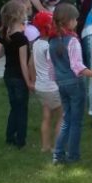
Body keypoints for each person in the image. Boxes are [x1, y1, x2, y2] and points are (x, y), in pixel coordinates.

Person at [48, 3, 92, 165]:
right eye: (75, 19)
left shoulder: (52, 41)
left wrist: (59, 80)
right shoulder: (73, 41)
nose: (77, 21)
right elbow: (78, 67)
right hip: (75, 84)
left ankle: (58, 154)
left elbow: (51, 69)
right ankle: (73, 155)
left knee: (66, 119)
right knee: (76, 122)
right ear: (69, 21)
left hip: (61, 84)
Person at [0, 0, 33, 148]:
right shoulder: (22, 39)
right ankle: (21, 140)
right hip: (19, 78)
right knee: (22, 109)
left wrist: (3, 42)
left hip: (8, 75)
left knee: (14, 107)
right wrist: (29, 82)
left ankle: (10, 137)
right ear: (19, 15)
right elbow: (24, 64)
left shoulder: (5, 33)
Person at [30, 11, 61, 153]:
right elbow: (54, 65)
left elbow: (31, 63)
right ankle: (57, 147)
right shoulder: (49, 47)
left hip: (41, 87)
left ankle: (45, 146)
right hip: (52, 86)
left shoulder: (36, 44)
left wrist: (33, 80)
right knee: (62, 116)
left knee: (46, 117)